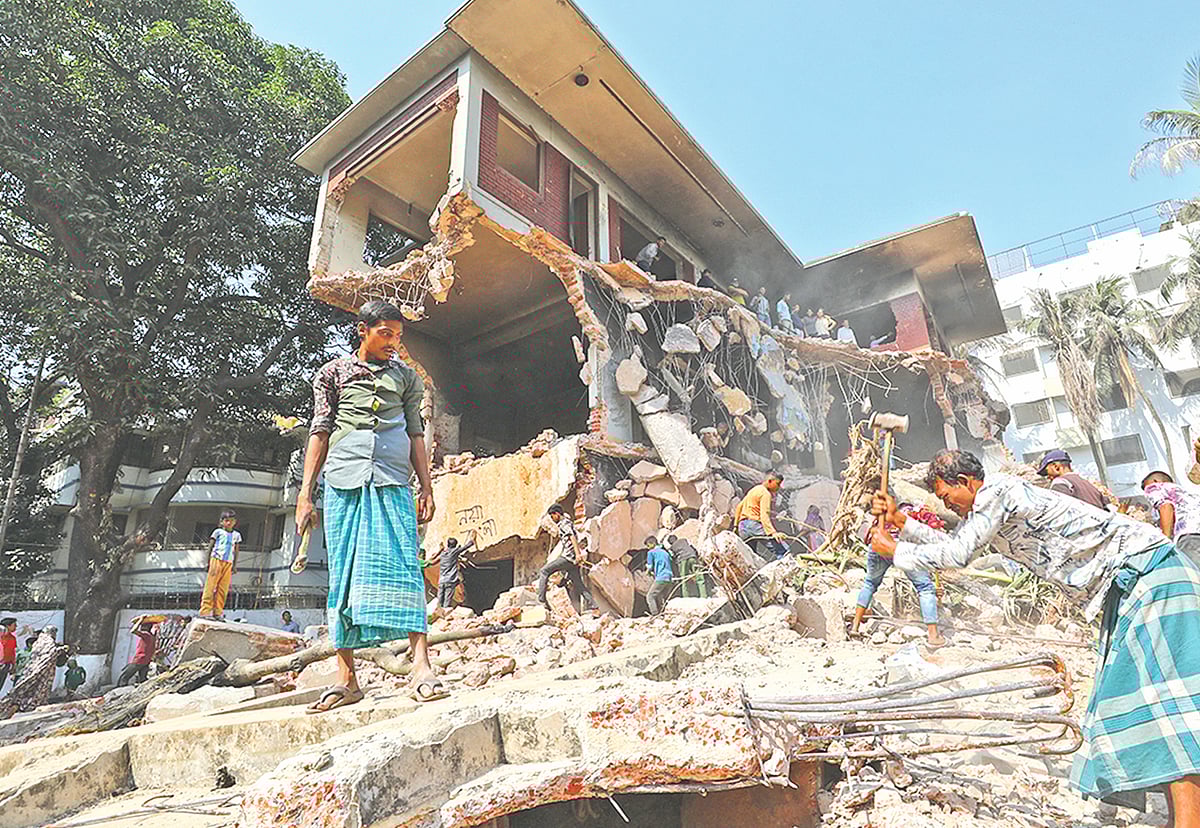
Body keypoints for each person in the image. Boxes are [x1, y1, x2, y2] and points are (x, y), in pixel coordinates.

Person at [870, 449, 1200, 818]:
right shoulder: (990, 507)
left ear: (965, 482)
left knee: (1165, 705)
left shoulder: (998, 492)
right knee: (1144, 704)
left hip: (1150, 578)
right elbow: (955, 543)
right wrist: (901, 521)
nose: (949, 506)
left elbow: (958, 555)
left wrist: (895, 550)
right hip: (1134, 586)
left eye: (947, 497)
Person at [297, 299, 443, 713]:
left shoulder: (407, 378)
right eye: (385, 334)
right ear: (363, 331)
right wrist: (305, 494)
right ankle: (347, 679)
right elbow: (320, 431)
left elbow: (416, 434)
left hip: (393, 481)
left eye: (398, 336)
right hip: (343, 480)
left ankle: (421, 668)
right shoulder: (332, 373)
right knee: (343, 573)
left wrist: (426, 486)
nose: (393, 342)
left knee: (405, 566)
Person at [850, 503, 945, 647]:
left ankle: (855, 626)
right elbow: (935, 531)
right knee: (925, 588)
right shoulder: (921, 512)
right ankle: (933, 635)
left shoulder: (887, 514)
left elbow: (869, 535)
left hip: (879, 545)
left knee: (870, 583)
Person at [536, 503, 597, 614]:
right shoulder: (566, 522)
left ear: (557, 514)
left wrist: (577, 554)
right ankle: (595, 608)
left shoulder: (564, 523)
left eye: (552, 516)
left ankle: (542, 601)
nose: (552, 519)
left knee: (544, 571)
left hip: (568, 557)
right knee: (579, 584)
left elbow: (572, 537)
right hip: (572, 559)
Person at [1142, 471, 1200, 564]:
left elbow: (1166, 507)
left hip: (1190, 536)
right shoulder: (1183, 493)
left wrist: (1165, 541)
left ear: (1155, 481)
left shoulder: (1155, 488)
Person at [733, 472, 789, 559]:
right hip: (754, 525)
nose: (779, 487)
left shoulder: (754, 490)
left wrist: (736, 526)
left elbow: (739, 507)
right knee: (783, 550)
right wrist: (773, 533)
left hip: (742, 526)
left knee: (751, 556)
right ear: (770, 481)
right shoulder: (765, 494)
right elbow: (764, 515)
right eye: (777, 484)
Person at [1035, 449, 1111, 511]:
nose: (1048, 477)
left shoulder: (1060, 482)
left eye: (1047, 472)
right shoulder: (1087, 483)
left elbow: (1062, 510)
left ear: (1056, 467)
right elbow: (1107, 505)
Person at [200, 509, 241, 621]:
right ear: (222, 522)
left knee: (223, 588)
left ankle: (218, 612)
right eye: (226, 520)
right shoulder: (218, 532)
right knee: (210, 586)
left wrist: (234, 565)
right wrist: (208, 562)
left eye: (231, 520)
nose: (229, 523)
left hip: (228, 563)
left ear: (235, 522)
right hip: (216, 560)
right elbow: (210, 547)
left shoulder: (237, 535)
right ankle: (205, 611)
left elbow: (236, 551)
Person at [437, 531, 477, 611]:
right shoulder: (454, 552)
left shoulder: (443, 554)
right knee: (447, 601)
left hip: (441, 581)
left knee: (440, 601)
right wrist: (472, 539)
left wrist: (441, 548)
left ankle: (438, 614)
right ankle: (444, 614)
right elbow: (466, 546)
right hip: (450, 580)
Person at [119, 620, 157, 686]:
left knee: (124, 677)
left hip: (140, 659)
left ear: (147, 627)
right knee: (143, 680)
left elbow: (133, 631)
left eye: (142, 626)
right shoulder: (152, 637)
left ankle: (120, 690)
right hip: (146, 661)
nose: (141, 627)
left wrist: (140, 620)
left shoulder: (146, 634)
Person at [645, 536, 673, 614]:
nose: (647, 548)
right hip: (670, 577)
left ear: (653, 543)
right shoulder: (665, 552)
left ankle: (655, 614)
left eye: (648, 545)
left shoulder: (651, 552)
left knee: (650, 596)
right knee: (662, 597)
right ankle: (665, 613)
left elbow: (650, 566)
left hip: (661, 577)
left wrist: (647, 572)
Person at [0, 618, 16, 691]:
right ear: (8, 626)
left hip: (6, 665)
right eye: (14, 625)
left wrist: (13, 665)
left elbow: (13, 652)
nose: (16, 627)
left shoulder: (12, 638)